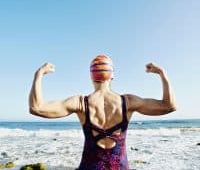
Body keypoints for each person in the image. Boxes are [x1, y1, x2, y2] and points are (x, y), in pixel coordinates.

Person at [29, 55, 177, 170]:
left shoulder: (81, 103)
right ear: (112, 75)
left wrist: (39, 74)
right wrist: (162, 74)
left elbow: (36, 108)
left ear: (91, 76)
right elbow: (169, 106)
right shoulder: (128, 102)